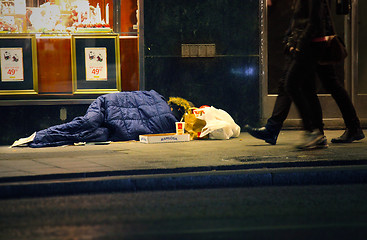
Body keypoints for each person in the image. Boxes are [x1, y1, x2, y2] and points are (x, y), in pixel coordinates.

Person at [245, 0, 364, 147]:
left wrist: (299, 44)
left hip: (313, 43)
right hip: (311, 42)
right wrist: (290, 40)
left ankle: (313, 131)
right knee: (309, 86)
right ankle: (319, 132)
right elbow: (301, 18)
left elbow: (315, 19)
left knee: (295, 84)